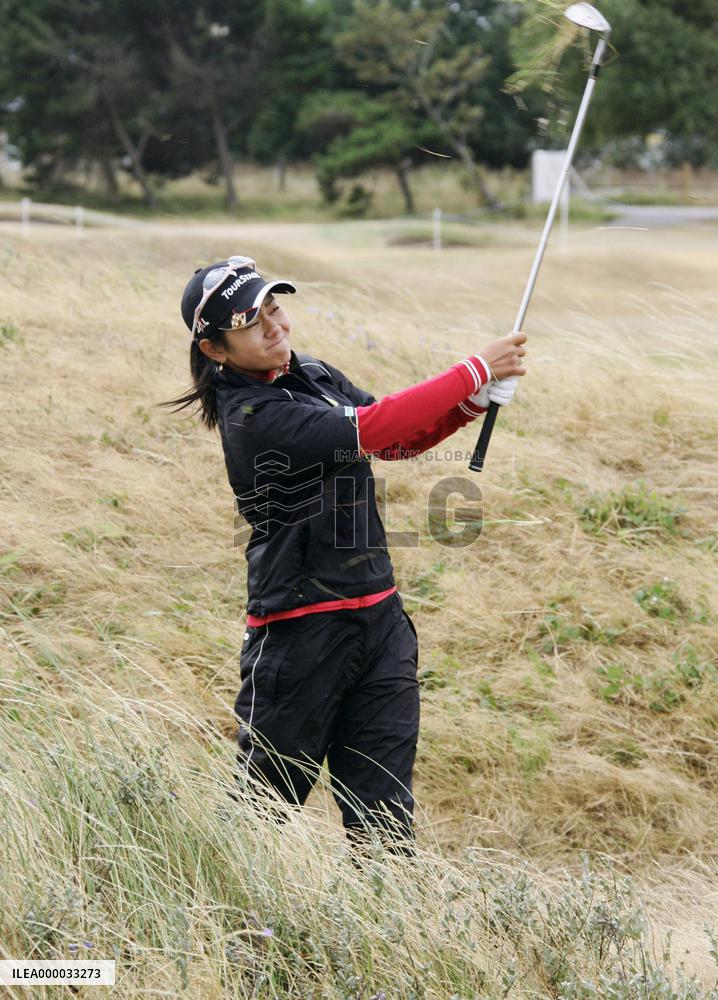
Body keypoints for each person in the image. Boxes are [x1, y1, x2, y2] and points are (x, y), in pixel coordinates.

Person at [164, 254, 527, 858]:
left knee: (385, 824)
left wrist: (474, 401)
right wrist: (474, 368)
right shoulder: (252, 416)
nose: (275, 325)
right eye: (253, 322)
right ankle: (212, 937)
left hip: (380, 623)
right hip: (300, 634)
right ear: (217, 351)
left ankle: (383, 943)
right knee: (258, 821)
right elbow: (376, 426)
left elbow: (402, 441)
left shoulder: (314, 374)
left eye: (274, 306)